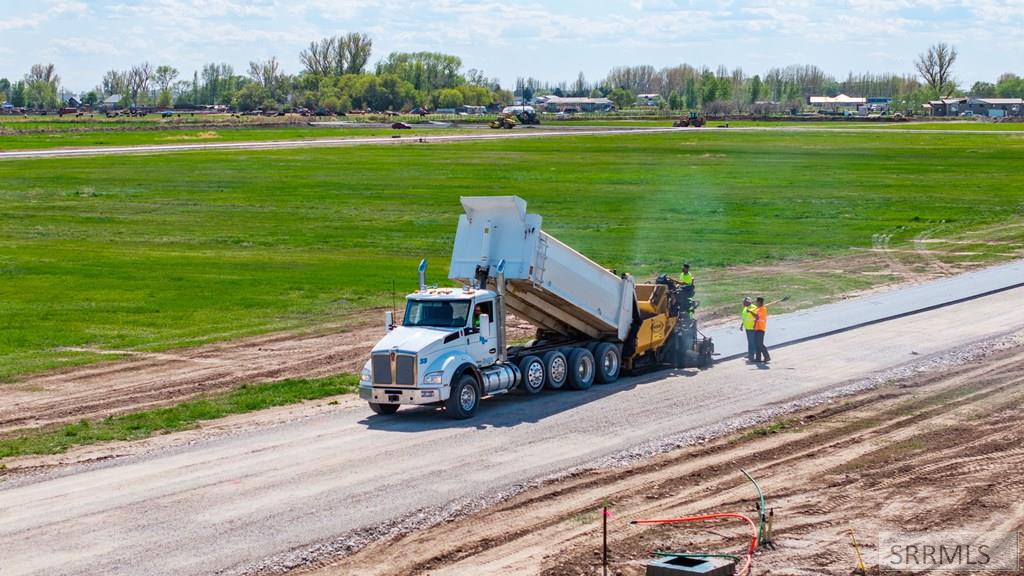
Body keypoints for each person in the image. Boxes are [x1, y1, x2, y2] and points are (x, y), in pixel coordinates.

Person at [753, 297, 771, 363]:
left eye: (756, 302)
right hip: (757, 328)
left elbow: (757, 317)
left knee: (760, 344)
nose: (756, 303)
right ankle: (758, 358)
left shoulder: (763, 309)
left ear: (760, 302)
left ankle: (767, 357)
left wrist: (750, 312)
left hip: (761, 328)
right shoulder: (759, 309)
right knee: (757, 344)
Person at [740, 297, 757, 361]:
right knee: (750, 342)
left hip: (752, 328)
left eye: (744, 302)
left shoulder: (753, 308)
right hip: (747, 328)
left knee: (751, 342)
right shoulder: (745, 308)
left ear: (748, 302)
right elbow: (745, 317)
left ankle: (751, 356)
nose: (743, 303)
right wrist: (742, 325)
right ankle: (751, 353)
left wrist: (750, 311)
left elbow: (756, 317)